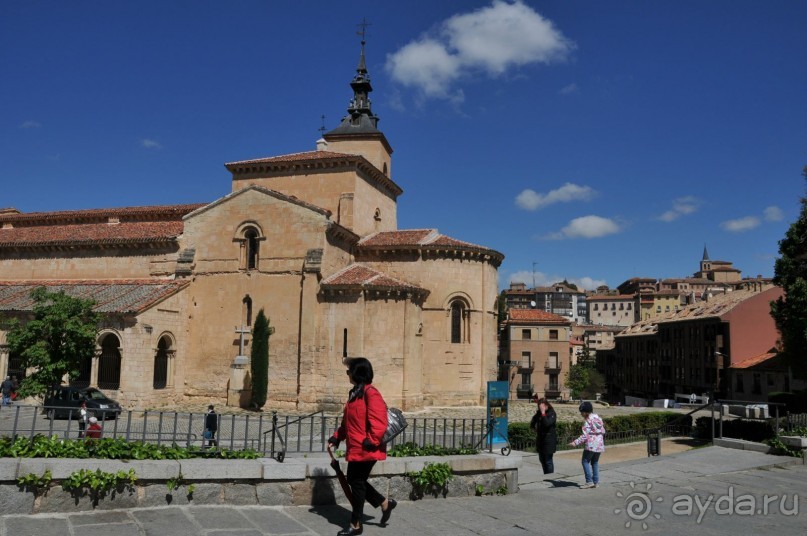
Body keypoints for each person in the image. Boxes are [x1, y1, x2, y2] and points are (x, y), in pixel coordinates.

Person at [328, 357, 396, 536]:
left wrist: (372, 441)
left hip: (367, 448)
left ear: (358, 372)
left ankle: (356, 523)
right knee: (355, 480)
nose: (347, 374)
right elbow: (347, 423)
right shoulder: (354, 393)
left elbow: (379, 421)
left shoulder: (371, 393)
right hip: (356, 448)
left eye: (349, 371)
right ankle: (384, 503)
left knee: (356, 482)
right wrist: (336, 438)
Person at [569, 401, 606, 488]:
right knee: (595, 462)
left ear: (585, 412)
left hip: (591, 445)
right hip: (599, 445)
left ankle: (589, 481)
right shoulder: (598, 419)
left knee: (585, 461)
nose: (581, 414)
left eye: (581, 412)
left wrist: (575, 442)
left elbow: (585, 435)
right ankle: (596, 482)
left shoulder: (588, 421)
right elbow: (603, 431)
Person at [530, 397, 557, 474]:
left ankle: (550, 475)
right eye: (539, 407)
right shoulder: (539, 413)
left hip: (549, 440)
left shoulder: (552, 413)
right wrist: (534, 427)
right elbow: (532, 422)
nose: (540, 408)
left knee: (548, 460)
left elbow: (547, 424)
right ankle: (546, 474)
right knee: (542, 459)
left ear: (546, 405)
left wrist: (543, 413)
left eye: (541, 407)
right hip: (541, 439)